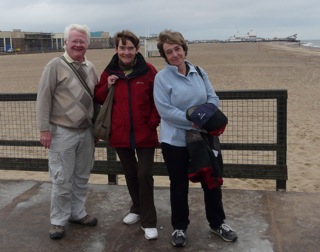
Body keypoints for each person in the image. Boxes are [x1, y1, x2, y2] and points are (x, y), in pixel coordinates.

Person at [153, 29, 238, 247]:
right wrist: (194, 120)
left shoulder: (199, 71)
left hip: (203, 140)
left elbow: (213, 98)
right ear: (164, 56)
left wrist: (202, 118)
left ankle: (217, 223)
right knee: (179, 185)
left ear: (183, 48)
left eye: (177, 49)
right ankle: (179, 228)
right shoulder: (162, 78)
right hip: (174, 142)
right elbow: (165, 111)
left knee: (211, 182)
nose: (174, 54)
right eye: (169, 51)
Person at [94, 30, 160, 240]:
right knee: (130, 174)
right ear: (116, 49)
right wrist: (108, 85)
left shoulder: (148, 70)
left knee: (144, 175)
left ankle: (149, 221)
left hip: (144, 133)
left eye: (130, 48)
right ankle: (137, 209)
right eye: (122, 48)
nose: (126, 52)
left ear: (137, 49)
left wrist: (152, 122)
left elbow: (158, 99)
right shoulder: (110, 70)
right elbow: (98, 96)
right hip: (120, 133)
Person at [36, 24, 98, 240]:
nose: (78, 44)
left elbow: (96, 98)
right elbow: (43, 98)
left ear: (87, 44)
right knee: (62, 179)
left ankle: (77, 213)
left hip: (86, 132)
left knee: (81, 176)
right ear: (66, 43)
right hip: (62, 132)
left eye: (82, 41)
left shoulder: (91, 67)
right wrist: (44, 130)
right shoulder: (55, 65)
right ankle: (58, 220)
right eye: (74, 41)